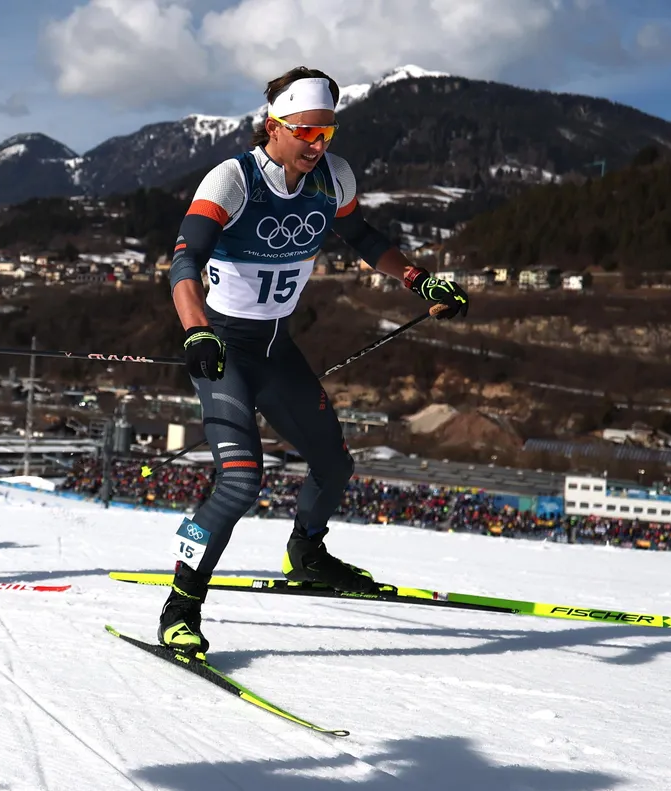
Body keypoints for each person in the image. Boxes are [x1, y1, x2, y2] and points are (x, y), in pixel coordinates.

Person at [159, 66, 470, 655]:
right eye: (307, 132)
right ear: (273, 126)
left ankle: (307, 553)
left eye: (328, 132)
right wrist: (197, 331)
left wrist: (420, 280)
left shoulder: (334, 177)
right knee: (240, 480)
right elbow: (183, 263)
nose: (318, 144)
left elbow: (364, 237)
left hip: (277, 346)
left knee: (335, 465)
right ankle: (180, 607)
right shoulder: (232, 180)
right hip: (225, 346)